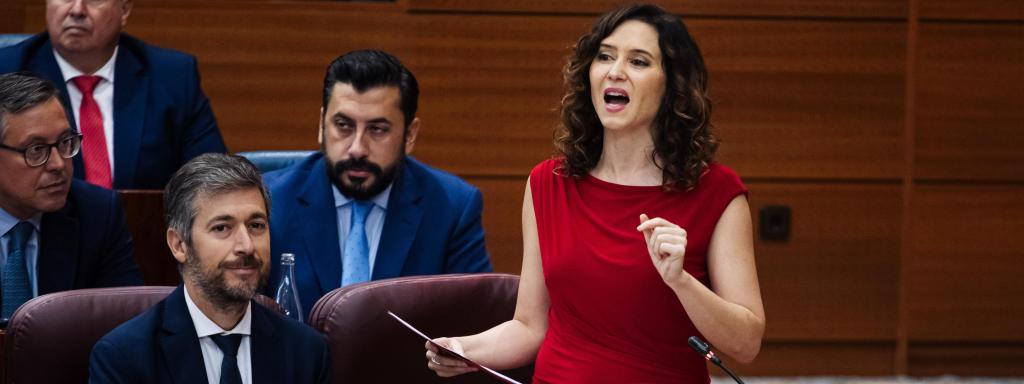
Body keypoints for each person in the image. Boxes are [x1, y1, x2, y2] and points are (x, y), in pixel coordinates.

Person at [425, 4, 765, 383]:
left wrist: (681, 280)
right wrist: (463, 348)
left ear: (673, 87)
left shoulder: (716, 192)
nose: (615, 71)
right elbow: (529, 327)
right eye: (604, 56)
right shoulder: (547, 182)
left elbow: (746, 344)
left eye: (638, 61)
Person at [264, 50, 492, 314]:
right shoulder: (270, 202)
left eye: (377, 129)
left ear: (410, 135)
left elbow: (476, 318)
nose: (357, 149)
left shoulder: (452, 209)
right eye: (343, 125)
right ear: (322, 125)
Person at [88, 153, 331, 383]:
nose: (246, 246)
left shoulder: (306, 353)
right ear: (179, 245)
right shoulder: (124, 358)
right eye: (222, 228)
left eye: (256, 225)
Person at [0, 0, 227, 190]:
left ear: (124, 9)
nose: (77, 9)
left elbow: (213, 180)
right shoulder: (7, 71)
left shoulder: (172, 76)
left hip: (142, 225)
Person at [0, 72, 142, 322]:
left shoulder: (97, 214)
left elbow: (126, 324)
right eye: (36, 149)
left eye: (65, 142)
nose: (58, 164)